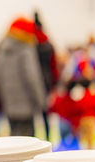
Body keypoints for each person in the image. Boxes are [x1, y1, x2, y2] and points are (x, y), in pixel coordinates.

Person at [0, 17, 46, 136]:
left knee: (14, 141)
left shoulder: (2, 49)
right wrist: (40, 101)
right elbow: (32, 78)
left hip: (9, 105)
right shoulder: (26, 50)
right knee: (28, 144)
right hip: (27, 105)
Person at [34, 12, 58, 140]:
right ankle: (48, 139)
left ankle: (34, 141)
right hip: (46, 82)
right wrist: (54, 84)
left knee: (33, 115)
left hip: (34, 81)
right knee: (45, 115)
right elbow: (54, 66)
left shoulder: (30, 45)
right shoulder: (48, 44)